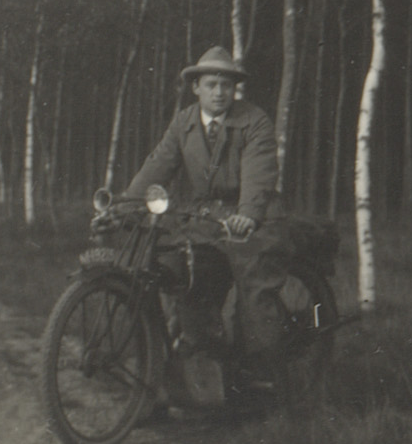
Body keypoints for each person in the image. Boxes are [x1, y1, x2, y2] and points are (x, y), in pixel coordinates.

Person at [122, 45, 293, 361]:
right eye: (211, 85)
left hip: (257, 221)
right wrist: (127, 204)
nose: (219, 93)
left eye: (226, 85)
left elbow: (258, 174)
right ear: (196, 87)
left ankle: (267, 373)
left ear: (234, 89)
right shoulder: (184, 122)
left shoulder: (255, 121)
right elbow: (158, 164)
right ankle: (203, 356)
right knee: (187, 278)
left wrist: (248, 214)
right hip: (209, 219)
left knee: (254, 296)